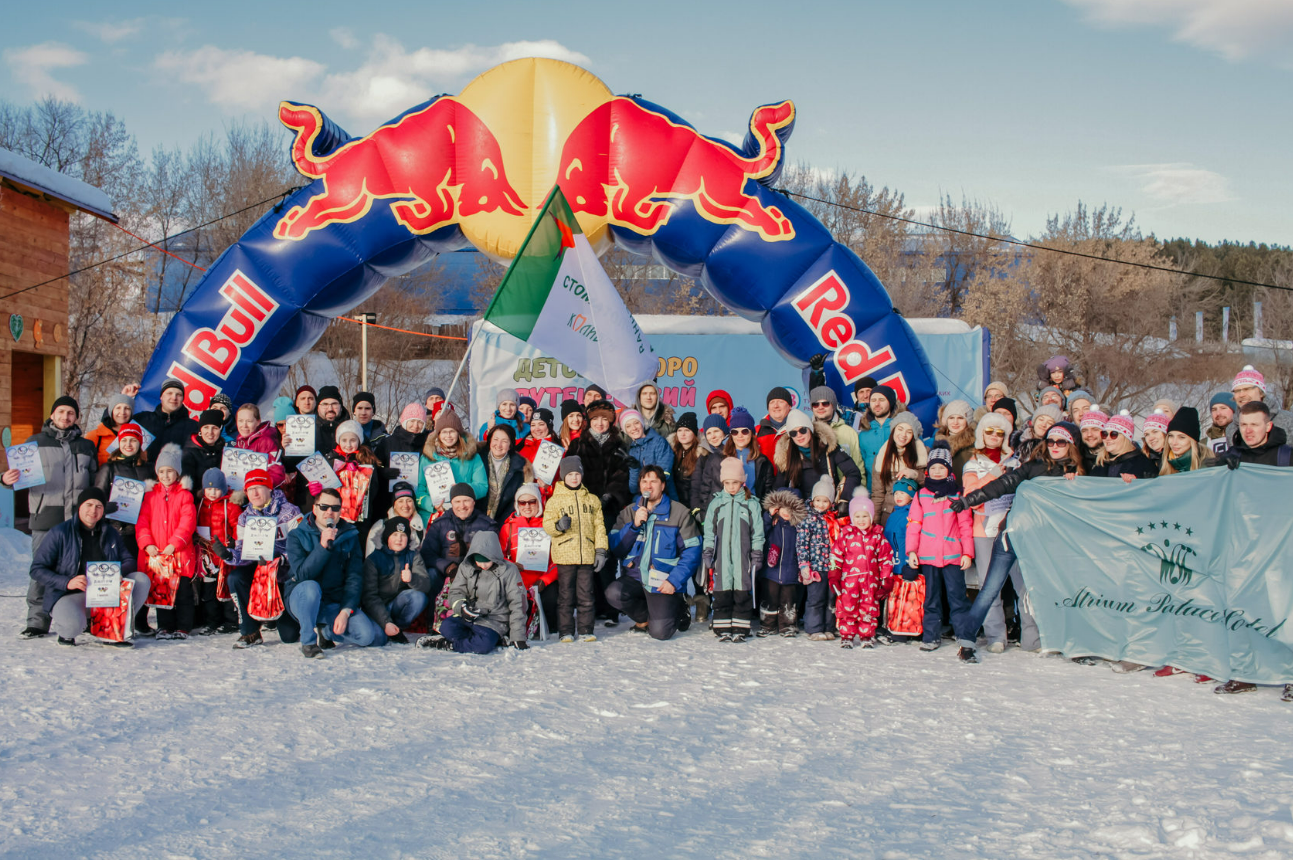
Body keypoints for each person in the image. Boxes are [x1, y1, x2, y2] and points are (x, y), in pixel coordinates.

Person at [954, 422, 1084, 658]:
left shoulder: (1078, 473)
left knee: (1035, 590)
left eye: (1061, 442)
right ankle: (967, 639)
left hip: (1041, 542)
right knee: (990, 588)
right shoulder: (1033, 466)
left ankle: (1038, 639)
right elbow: (1001, 485)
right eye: (1051, 441)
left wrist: (1077, 482)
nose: (1054, 446)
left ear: (1072, 445)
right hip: (1012, 534)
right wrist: (968, 500)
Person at [3, 395, 98, 638]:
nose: (66, 417)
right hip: (46, 517)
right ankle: (37, 620)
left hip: (80, 521)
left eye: (71, 413)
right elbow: (18, 476)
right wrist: (5, 480)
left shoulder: (86, 446)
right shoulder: (34, 443)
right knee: (42, 570)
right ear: (52, 415)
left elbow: (95, 482)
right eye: (61, 412)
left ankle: (83, 617)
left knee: (80, 569)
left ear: (76, 417)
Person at [31, 487, 145, 647]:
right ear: (80, 507)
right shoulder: (60, 532)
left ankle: (113, 628)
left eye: (99, 506)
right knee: (72, 626)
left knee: (140, 579)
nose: (93, 510)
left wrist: (118, 573)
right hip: (69, 595)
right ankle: (68, 628)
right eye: (89, 505)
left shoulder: (110, 532)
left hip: (104, 594)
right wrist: (67, 582)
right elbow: (37, 569)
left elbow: (129, 560)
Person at [607, 466, 702, 640]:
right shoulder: (629, 512)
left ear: (663, 485)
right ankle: (644, 618)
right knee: (613, 593)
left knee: (660, 633)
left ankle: (679, 606)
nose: (648, 486)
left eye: (653, 481)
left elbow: (692, 551)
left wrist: (673, 581)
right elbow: (616, 547)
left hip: (662, 581)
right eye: (644, 481)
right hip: (635, 577)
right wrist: (633, 526)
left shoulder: (679, 512)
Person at [286, 486, 379, 657]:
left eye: (335, 508)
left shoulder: (350, 535)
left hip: (332, 601)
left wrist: (345, 611)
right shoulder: (297, 535)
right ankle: (308, 642)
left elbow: (354, 578)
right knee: (310, 587)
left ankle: (326, 631)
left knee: (368, 636)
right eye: (324, 507)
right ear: (314, 508)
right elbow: (302, 575)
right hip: (303, 598)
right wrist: (322, 547)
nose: (330, 512)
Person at [906, 441, 976, 662]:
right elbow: (914, 524)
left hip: (953, 554)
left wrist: (967, 553)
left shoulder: (957, 495)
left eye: (942, 467)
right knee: (932, 598)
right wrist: (912, 551)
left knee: (957, 597)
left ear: (949, 469)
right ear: (928, 470)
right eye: (933, 467)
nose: (937, 471)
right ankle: (931, 636)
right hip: (927, 554)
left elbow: (965, 526)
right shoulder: (921, 495)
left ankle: (964, 636)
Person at [227, 469, 302, 649]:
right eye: (250, 489)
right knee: (235, 578)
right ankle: (250, 631)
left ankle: (284, 616)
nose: (255, 493)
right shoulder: (245, 517)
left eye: (259, 487)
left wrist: (280, 558)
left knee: (289, 636)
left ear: (269, 489)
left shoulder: (290, 512)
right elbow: (243, 554)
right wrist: (229, 555)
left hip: (283, 575)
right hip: (260, 574)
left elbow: (300, 549)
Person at [418, 531, 528, 653]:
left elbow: (518, 603)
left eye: (487, 561)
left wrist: (518, 637)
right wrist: (462, 608)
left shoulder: (509, 570)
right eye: (479, 561)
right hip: (469, 616)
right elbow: (456, 591)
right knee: (446, 627)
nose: (483, 565)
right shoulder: (466, 567)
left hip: (495, 620)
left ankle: (450, 645)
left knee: (483, 646)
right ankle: (483, 640)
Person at [135, 443, 198, 639]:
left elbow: (188, 522)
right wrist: (147, 543)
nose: (165, 475)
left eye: (170, 471)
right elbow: (142, 522)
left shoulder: (185, 496)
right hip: (158, 555)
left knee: (182, 594)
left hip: (179, 554)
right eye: (161, 471)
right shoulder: (150, 497)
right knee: (162, 591)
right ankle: (165, 626)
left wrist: (175, 543)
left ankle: (183, 626)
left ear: (177, 473)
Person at [543, 458, 608, 642]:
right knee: (565, 595)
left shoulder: (592, 500)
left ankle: (586, 629)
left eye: (577, 474)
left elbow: (599, 527)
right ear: (564, 476)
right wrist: (558, 525)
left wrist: (601, 550)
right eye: (570, 474)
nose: (574, 478)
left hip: (586, 555)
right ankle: (566, 631)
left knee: (586, 594)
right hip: (565, 556)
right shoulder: (555, 501)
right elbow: (547, 525)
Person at [702, 457, 765, 642]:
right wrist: (708, 551)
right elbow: (709, 531)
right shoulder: (716, 503)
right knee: (722, 593)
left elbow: (758, 532)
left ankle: (740, 627)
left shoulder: (751, 503)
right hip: (721, 558)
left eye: (735, 482)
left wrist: (757, 553)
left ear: (742, 482)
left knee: (741, 592)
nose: (731, 487)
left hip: (742, 558)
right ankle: (722, 627)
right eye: (727, 483)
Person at [829, 494, 894, 649]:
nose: (861, 520)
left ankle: (867, 635)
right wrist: (834, 575)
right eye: (857, 516)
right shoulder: (846, 535)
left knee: (868, 609)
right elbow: (835, 556)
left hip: (870, 582)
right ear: (852, 517)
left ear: (871, 517)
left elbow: (886, 559)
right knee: (847, 608)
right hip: (849, 582)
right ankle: (847, 635)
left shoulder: (878, 537)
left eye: (865, 516)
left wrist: (886, 580)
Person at [772, 408, 863, 516]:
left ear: (810, 429)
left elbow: (853, 472)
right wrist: (777, 510)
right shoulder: (787, 455)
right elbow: (778, 488)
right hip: (803, 514)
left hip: (829, 510)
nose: (799, 435)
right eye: (793, 433)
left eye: (803, 430)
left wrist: (845, 499)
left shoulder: (828, 446)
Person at [420, 482, 498, 604]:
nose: (462, 506)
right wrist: (449, 568)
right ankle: (433, 618)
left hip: (476, 573)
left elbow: (494, 554)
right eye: (457, 501)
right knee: (431, 573)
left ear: (474, 502)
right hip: (446, 575)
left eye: (466, 500)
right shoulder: (440, 524)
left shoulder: (487, 525)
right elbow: (427, 554)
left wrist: (468, 548)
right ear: (451, 503)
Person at [500, 483, 560, 638]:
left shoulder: (549, 526)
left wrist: (544, 581)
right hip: (517, 580)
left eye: (532, 502)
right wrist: (512, 565)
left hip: (542, 581)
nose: (527, 506)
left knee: (552, 600)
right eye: (522, 502)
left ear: (539, 503)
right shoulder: (509, 527)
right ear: (517, 504)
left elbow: (558, 559)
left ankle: (551, 630)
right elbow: (499, 557)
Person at [361, 516, 431, 645]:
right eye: (394, 535)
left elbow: (426, 585)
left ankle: (398, 628)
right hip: (377, 608)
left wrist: (412, 579)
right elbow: (369, 596)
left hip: (396, 605)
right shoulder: (374, 559)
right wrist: (385, 621)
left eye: (403, 535)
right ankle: (387, 627)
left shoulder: (413, 555)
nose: (399, 539)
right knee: (377, 639)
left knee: (418, 597)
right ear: (387, 537)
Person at [695, 407, 773, 513]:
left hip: (751, 517)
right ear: (731, 435)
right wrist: (706, 517)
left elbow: (767, 494)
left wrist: (763, 519)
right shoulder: (717, 458)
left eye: (745, 431)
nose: (740, 435)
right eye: (735, 432)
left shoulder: (762, 462)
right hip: (722, 517)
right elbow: (705, 490)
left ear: (752, 433)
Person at [416, 407, 487, 522]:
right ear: (438, 434)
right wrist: (431, 504)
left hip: (463, 513)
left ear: (458, 433)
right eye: (444, 432)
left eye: (452, 431)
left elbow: (482, 486)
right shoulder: (428, 457)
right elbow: (419, 488)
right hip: (434, 515)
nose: (448, 436)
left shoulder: (472, 456)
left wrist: (463, 490)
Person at [325, 419, 390, 543]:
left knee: (358, 545)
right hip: (336, 513)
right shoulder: (331, 459)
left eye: (353, 440)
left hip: (360, 515)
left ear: (359, 440)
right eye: (344, 440)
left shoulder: (366, 459)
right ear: (338, 441)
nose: (348, 444)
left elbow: (374, 487)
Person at [193, 468, 241, 634]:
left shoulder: (231, 506)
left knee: (225, 589)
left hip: (223, 555)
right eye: (209, 488)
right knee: (209, 592)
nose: (212, 492)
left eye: (216, 489)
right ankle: (211, 621)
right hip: (206, 555)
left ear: (224, 488)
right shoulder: (200, 505)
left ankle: (230, 621)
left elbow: (237, 525)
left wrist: (234, 542)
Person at [758, 488, 806, 637]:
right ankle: (767, 625)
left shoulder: (798, 527)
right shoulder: (773, 523)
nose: (786, 512)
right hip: (771, 570)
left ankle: (788, 626)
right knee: (769, 598)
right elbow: (761, 532)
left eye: (790, 509)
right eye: (783, 508)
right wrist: (768, 516)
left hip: (790, 570)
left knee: (789, 600)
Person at [870, 412, 927, 526]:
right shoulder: (882, 456)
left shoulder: (923, 454)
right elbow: (878, 494)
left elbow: (931, 485)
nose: (903, 435)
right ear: (893, 430)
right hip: (889, 514)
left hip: (913, 515)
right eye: (900, 429)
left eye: (909, 431)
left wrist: (915, 474)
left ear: (914, 435)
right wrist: (875, 524)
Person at [799, 477, 837, 641]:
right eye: (818, 500)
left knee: (830, 599)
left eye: (825, 501)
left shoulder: (834, 519)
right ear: (812, 500)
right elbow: (801, 543)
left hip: (832, 567)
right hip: (815, 566)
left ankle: (828, 627)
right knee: (815, 598)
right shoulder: (808, 519)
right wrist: (804, 564)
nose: (821, 504)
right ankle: (814, 628)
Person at [134, 378, 199, 462]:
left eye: (179, 394)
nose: (174, 398)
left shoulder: (194, 427)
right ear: (161, 396)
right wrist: (125, 397)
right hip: (143, 473)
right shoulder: (142, 419)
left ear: (183, 399)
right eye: (169, 393)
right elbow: (116, 430)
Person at [480, 424, 533, 527]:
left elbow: (513, 502)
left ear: (510, 445)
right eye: (495, 439)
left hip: (501, 523)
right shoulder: (478, 459)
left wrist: (501, 525)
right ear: (490, 440)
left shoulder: (519, 467)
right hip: (475, 519)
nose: (499, 445)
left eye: (504, 441)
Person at [807, 385, 866, 477]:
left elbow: (858, 467)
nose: (820, 407)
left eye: (825, 403)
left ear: (833, 405)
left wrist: (859, 489)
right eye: (815, 404)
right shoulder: (806, 432)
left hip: (846, 488)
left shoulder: (849, 432)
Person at [1228, 365, 1293, 442]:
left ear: (1261, 392)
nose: (1241, 395)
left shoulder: (1288, 421)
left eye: (1247, 389)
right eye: (1237, 391)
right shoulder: (1231, 429)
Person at [621, 409, 677, 499]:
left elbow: (665, 475)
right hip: (641, 500)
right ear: (625, 431)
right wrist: (635, 468)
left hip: (664, 498)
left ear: (642, 424)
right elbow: (633, 489)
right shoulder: (631, 451)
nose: (634, 428)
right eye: (628, 426)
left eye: (636, 423)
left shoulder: (659, 442)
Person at [1220, 402, 1293, 469]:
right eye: (1243, 425)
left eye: (1254, 425)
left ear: (1268, 427)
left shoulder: (1288, 457)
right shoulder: (1231, 455)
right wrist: (1219, 465)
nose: (1248, 431)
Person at [232, 403, 287, 488]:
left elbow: (277, 474)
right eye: (240, 421)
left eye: (249, 421)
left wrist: (259, 486)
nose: (244, 425)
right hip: (242, 492)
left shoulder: (266, 442)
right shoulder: (239, 443)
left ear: (258, 422)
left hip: (261, 495)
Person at [1091, 412, 1156, 481]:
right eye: (1104, 434)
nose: (1107, 438)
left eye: (1113, 434)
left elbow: (1154, 487)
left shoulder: (1144, 463)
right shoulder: (1100, 462)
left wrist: (1138, 481)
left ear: (1126, 437)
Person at [366, 481, 425, 556]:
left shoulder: (420, 529)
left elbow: (422, 561)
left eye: (409, 501)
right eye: (400, 501)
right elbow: (370, 559)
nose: (405, 505)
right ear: (394, 505)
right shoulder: (381, 526)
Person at [857, 385, 899, 487]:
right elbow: (860, 467)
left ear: (890, 401)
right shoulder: (863, 434)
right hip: (873, 491)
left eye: (881, 400)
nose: (877, 404)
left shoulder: (902, 428)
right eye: (873, 400)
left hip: (898, 491)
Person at [668, 412, 707, 513]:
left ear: (694, 433)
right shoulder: (670, 451)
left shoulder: (702, 454)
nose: (683, 434)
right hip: (674, 504)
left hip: (694, 505)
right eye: (680, 430)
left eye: (687, 430)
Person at [181, 410, 226, 495]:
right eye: (206, 427)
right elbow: (186, 488)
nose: (210, 432)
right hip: (197, 503)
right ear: (200, 429)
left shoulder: (225, 453)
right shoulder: (189, 453)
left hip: (219, 503)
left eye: (215, 428)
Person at [85, 393, 136, 466]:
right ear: (111, 411)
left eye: (127, 408)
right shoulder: (95, 436)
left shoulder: (137, 436)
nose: (122, 412)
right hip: (102, 476)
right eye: (118, 408)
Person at [935, 399, 977, 478]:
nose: (955, 422)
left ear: (968, 421)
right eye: (951, 418)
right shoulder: (936, 442)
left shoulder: (974, 446)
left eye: (960, 418)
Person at [756, 386, 795, 460]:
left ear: (789, 406)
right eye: (772, 402)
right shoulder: (757, 431)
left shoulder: (798, 429)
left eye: (781, 401)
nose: (776, 406)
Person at [314, 385, 351, 455]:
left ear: (341, 407)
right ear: (318, 407)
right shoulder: (310, 429)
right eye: (325, 404)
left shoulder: (352, 429)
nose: (330, 409)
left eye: (334, 404)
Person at [1205, 391, 1236, 456]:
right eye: (1214, 410)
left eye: (1223, 408)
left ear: (1234, 411)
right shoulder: (1204, 444)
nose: (1218, 413)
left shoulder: (1244, 437)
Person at [1077, 407, 1107, 474]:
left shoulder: (1113, 457)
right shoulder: (1078, 456)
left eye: (1095, 429)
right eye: (1084, 430)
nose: (1089, 434)